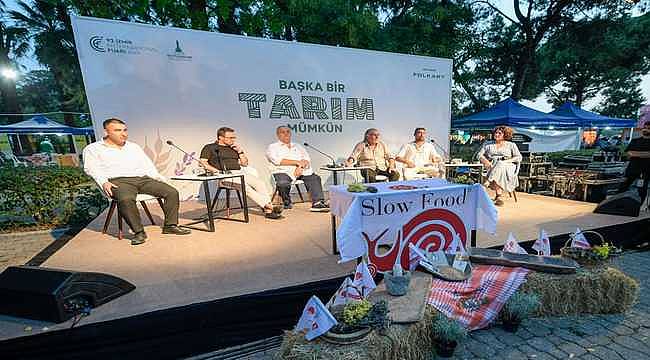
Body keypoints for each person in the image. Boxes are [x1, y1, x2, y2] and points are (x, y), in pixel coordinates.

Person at [83, 118, 191, 245]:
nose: (123, 134)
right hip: (117, 181)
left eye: (125, 130)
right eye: (118, 130)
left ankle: (170, 226)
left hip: (142, 179)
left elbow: (147, 165)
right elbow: (91, 168)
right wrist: (103, 182)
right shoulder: (93, 149)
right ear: (106, 132)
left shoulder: (133, 146)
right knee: (126, 199)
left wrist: (158, 177)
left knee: (171, 192)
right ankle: (139, 232)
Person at [199, 127, 282, 219]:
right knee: (245, 186)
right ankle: (269, 207)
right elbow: (203, 162)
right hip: (223, 175)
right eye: (230, 138)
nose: (233, 140)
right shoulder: (210, 148)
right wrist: (216, 171)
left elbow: (245, 164)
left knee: (260, 183)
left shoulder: (233, 148)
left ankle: (268, 210)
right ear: (220, 137)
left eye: (234, 138)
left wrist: (240, 152)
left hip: (239, 173)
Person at [266, 126, 329, 212]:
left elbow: (306, 159)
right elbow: (277, 161)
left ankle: (317, 203)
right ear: (278, 135)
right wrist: (297, 162)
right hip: (283, 171)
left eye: (288, 132)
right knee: (282, 183)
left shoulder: (297, 146)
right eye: (283, 132)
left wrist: (300, 167)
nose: (286, 134)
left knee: (315, 178)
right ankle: (286, 201)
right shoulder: (273, 147)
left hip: (301, 171)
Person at [477, 126, 522, 206]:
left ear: (505, 135)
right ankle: (499, 196)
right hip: (492, 166)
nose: (496, 134)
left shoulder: (511, 145)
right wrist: (485, 161)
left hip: (508, 166)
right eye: (495, 133)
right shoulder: (488, 144)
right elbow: (479, 155)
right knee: (499, 168)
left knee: (501, 164)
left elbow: (519, 157)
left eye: (499, 133)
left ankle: (487, 182)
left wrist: (506, 161)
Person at [618, 122, 650, 204]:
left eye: (648, 128)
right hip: (632, 168)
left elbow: (632, 153)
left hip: (645, 170)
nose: (646, 129)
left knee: (642, 189)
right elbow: (628, 153)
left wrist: (635, 154)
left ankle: (638, 207)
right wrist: (644, 154)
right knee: (623, 187)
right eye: (645, 128)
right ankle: (618, 204)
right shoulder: (635, 140)